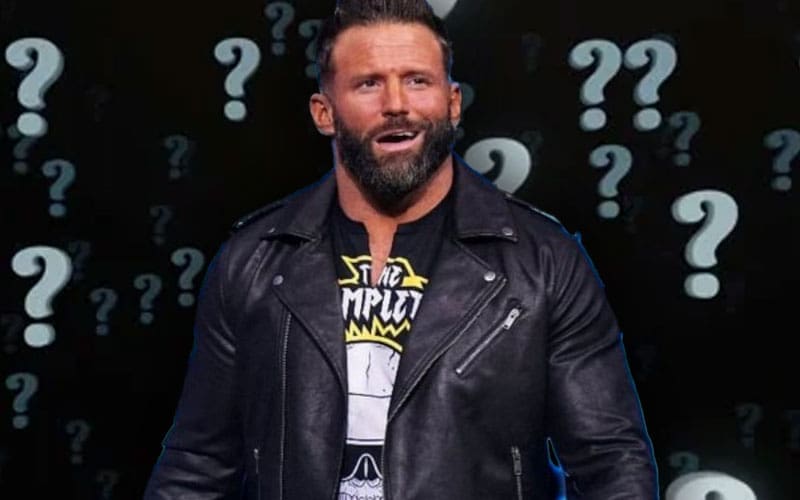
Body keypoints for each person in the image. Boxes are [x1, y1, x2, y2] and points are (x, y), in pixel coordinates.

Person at [143, 1, 659, 498]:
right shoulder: (253, 260)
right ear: (324, 112)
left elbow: (611, 462)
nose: (396, 104)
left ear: (452, 103)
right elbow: (197, 465)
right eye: (368, 83)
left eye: (417, 80)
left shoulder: (543, 261)